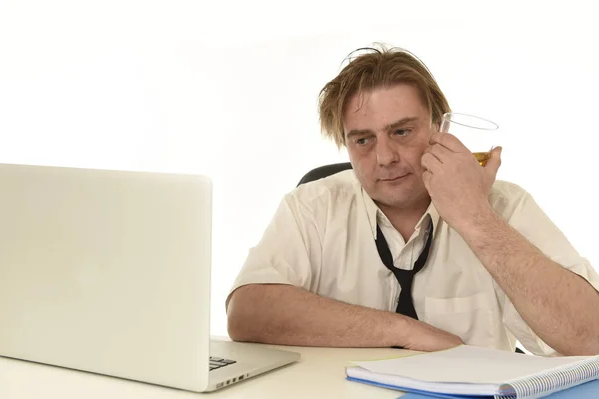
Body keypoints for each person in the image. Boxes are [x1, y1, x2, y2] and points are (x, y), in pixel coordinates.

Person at [225, 45, 599, 356]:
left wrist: (474, 217)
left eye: (401, 131)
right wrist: (404, 332)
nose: (385, 157)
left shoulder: (503, 206)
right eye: (363, 139)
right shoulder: (312, 205)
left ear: (440, 127)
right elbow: (246, 312)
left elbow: (591, 338)